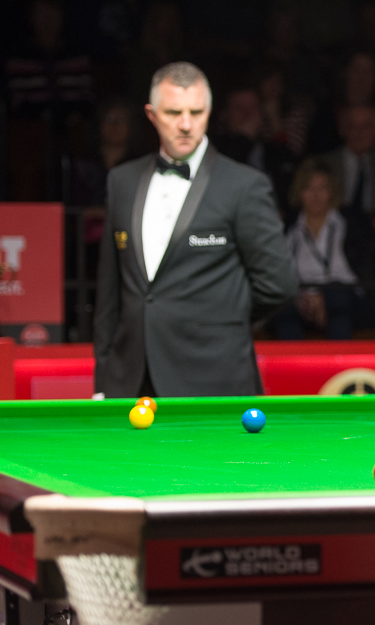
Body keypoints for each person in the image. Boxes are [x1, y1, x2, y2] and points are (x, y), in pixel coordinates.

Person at [94, 62, 296, 398]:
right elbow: (109, 292)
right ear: (152, 114)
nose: (186, 124)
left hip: (214, 375)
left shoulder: (244, 186)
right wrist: (103, 380)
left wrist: (217, 316)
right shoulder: (122, 182)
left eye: (196, 112)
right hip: (131, 380)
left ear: (209, 112)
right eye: (174, 112)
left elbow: (279, 284)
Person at [271, 159, 359, 340]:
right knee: (284, 308)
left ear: (332, 191)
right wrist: (302, 297)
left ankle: (341, 358)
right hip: (300, 297)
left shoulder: (350, 224)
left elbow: (364, 272)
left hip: (345, 297)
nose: (316, 195)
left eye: (322, 188)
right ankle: (291, 359)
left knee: (338, 301)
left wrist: (324, 297)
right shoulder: (289, 227)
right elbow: (279, 274)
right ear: (299, 192)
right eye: (308, 188)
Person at [319, 104, 375, 237]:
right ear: (342, 130)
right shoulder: (325, 164)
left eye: (366, 126)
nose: (359, 132)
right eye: (353, 126)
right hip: (334, 234)